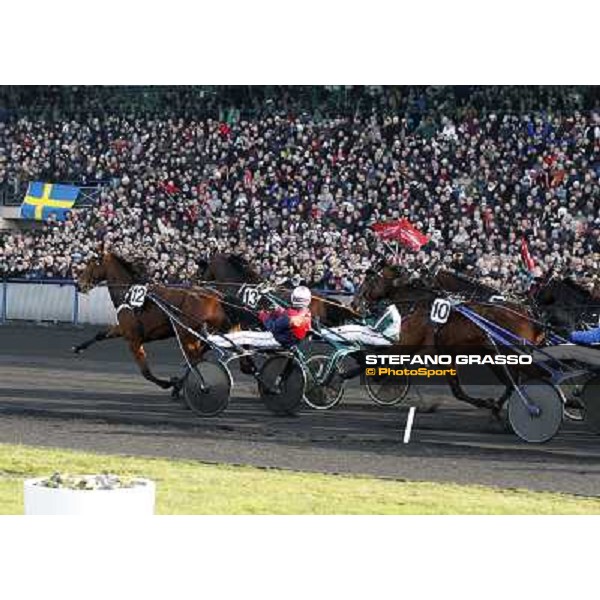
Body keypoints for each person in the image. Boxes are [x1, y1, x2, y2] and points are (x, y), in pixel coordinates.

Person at [208, 286, 313, 350]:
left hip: (278, 339)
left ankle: (212, 341)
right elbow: (290, 316)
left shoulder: (290, 317)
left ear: (293, 297)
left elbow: (272, 326)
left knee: (244, 336)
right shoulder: (306, 312)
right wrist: (279, 311)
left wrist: (263, 315)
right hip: (289, 338)